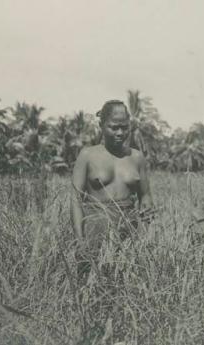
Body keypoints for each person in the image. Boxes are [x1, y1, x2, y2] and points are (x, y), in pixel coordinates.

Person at [71, 100, 154, 267]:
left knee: (128, 285)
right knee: (93, 285)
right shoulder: (87, 155)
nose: (120, 133)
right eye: (114, 127)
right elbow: (75, 200)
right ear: (102, 125)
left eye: (124, 127)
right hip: (95, 230)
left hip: (129, 231)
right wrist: (80, 242)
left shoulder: (137, 158)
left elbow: (145, 197)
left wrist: (145, 236)